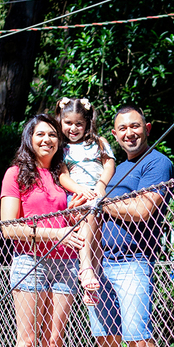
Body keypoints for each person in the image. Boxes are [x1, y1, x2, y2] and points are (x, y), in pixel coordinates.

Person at [0, 113, 86, 347]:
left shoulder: (61, 175)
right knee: (28, 339)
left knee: (55, 340)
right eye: (40, 135)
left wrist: (75, 213)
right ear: (29, 139)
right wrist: (55, 235)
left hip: (64, 264)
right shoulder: (15, 174)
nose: (47, 139)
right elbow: (9, 228)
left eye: (52, 134)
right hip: (29, 261)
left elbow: (70, 219)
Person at [90, 104, 171, 347]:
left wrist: (104, 204)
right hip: (100, 264)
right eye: (123, 129)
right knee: (105, 338)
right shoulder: (114, 170)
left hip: (134, 262)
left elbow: (143, 210)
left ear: (147, 127)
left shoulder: (157, 163)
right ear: (115, 134)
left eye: (135, 126)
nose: (130, 133)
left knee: (138, 336)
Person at [55, 97, 115, 306]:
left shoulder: (99, 142)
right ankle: (86, 268)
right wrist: (81, 190)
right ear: (61, 121)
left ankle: (92, 278)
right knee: (88, 219)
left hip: (98, 193)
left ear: (87, 123)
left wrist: (100, 185)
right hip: (78, 195)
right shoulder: (62, 149)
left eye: (79, 123)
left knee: (96, 235)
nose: (74, 128)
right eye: (68, 123)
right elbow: (63, 176)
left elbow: (109, 165)